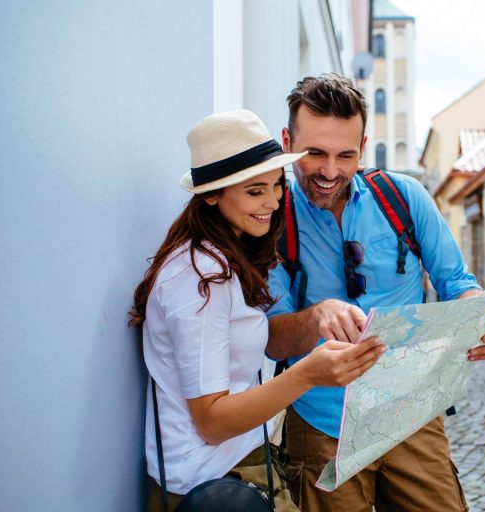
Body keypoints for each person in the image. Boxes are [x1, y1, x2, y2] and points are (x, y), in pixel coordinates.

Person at [265, 74, 485, 511]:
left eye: (345, 155)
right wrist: (315, 316)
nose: (329, 171)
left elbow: (457, 284)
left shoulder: (406, 197)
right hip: (323, 422)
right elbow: (270, 339)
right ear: (287, 141)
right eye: (314, 153)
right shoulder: (269, 219)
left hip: (411, 411)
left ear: (363, 147)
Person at [129, 109, 386, 512]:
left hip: (239, 468)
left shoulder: (222, 261)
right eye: (255, 191)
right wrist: (308, 373)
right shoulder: (201, 278)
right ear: (212, 195)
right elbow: (212, 421)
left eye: (275, 186)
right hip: (213, 484)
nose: (272, 201)